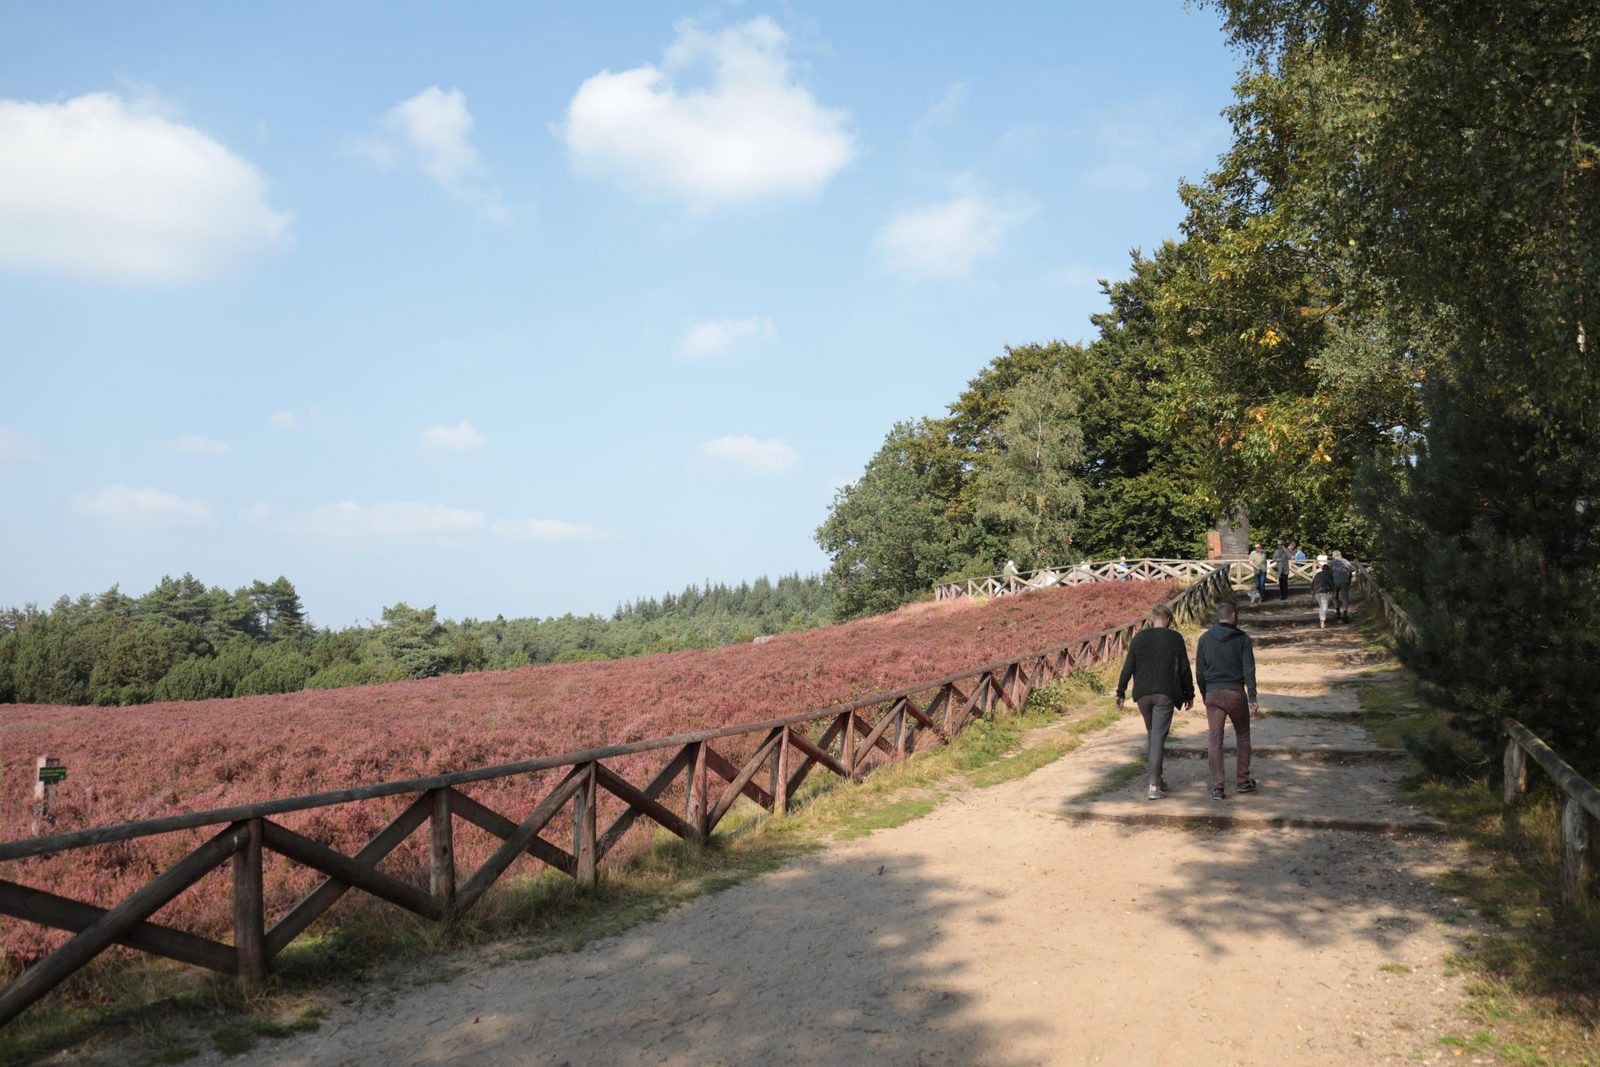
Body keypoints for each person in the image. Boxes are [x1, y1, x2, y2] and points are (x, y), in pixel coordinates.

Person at [1115, 604, 1195, 800]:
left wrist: (1120, 691)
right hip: (1164, 694)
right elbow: (1184, 668)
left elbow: (1128, 666)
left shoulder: (1139, 638)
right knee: (1158, 737)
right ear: (1168, 619)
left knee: (1153, 736)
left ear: (1153, 619)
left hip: (1142, 695)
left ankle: (1157, 779)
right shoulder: (1175, 638)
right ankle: (1153, 787)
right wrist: (1189, 693)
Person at [1195, 600, 1259, 799]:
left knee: (1215, 740)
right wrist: (1253, 697)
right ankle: (1242, 780)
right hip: (1235, 693)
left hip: (1213, 693)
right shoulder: (1243, 639)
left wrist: (1206, 693)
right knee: (1242, 735)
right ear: (1233, 616)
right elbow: (1248, 670)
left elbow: (1199, 672)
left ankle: (1218, 786)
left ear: (1218, 616)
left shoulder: (1204, 639)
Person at [1327, 550, 1353, 623]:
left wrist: (1329, 583)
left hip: (1335, 581)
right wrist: (1349, 581)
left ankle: (1338, 612)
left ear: (1333, 555)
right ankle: (1345, 614)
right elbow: (1350, 572)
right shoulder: (1346, 561)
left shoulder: (1331, 562)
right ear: (1340, 555)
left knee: (1335, 597)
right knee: (1345, 598)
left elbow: (1328, 573)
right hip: (1345, 581)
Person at [1310, 555, 1334, 629]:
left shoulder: (1317, 574)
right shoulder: (1328, 574)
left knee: (1321, 607)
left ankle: (1322, 622)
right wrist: (1332, 591)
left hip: (1317, 592)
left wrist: (1312, 593)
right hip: (1324, 591)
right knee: (1323, 608)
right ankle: (1322, 623)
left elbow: (1312, 584)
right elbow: (1330, 583)